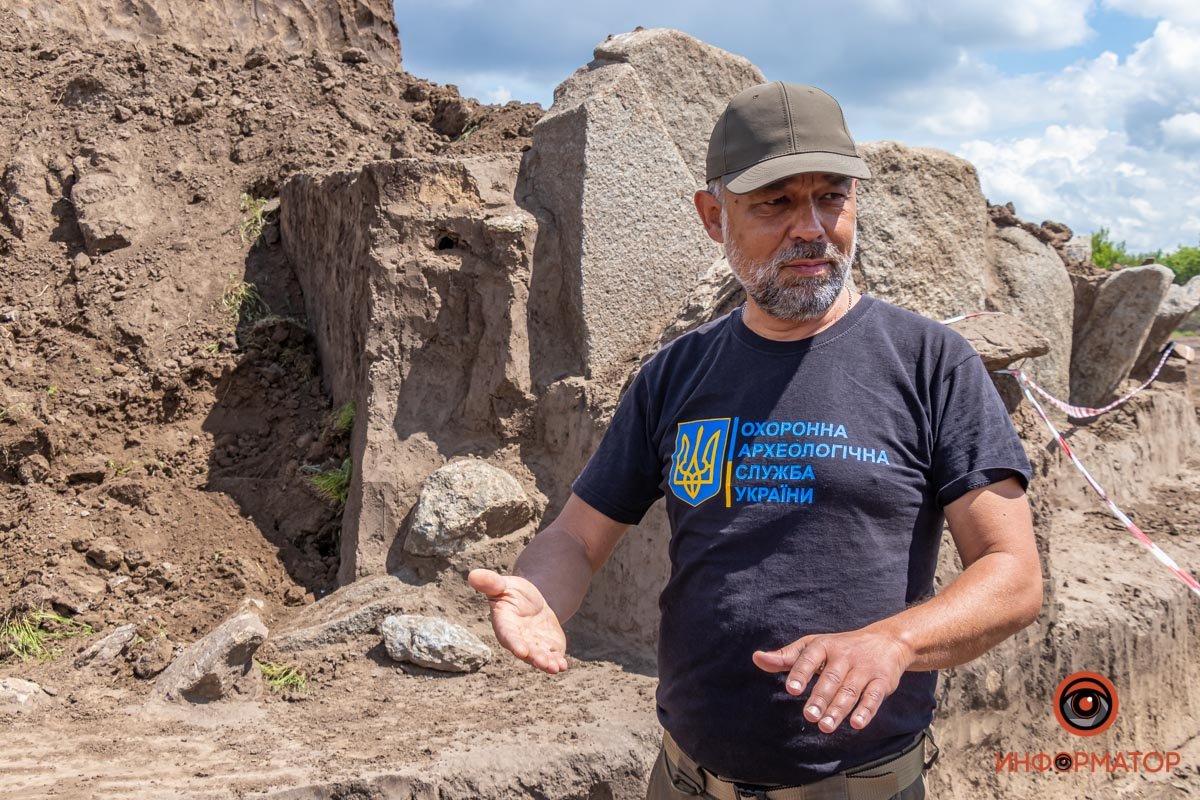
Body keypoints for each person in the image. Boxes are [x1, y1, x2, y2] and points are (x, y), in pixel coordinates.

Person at [468, 80, 1043, 800]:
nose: (811, 228)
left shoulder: (931, 364)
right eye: (775, 202)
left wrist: (894, 642)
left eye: (831, 197)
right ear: (714, 216)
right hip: (683, 778)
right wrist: (538, 593)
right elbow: (578, 539)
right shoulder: (677, 373)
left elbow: (1012, 573)